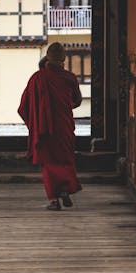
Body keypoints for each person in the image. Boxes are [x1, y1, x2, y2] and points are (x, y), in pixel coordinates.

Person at [18, 42, 82, 210]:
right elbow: (77, 101)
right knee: (65, 159)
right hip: (64, 126)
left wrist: (36, 120)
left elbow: (24, 106)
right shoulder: (70, 78)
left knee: (48, 162)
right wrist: (63, 108)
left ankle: (54, 200)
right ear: (63, 60)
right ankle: (65, 190)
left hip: (44, 128)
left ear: (48, 58)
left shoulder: (37, 78)